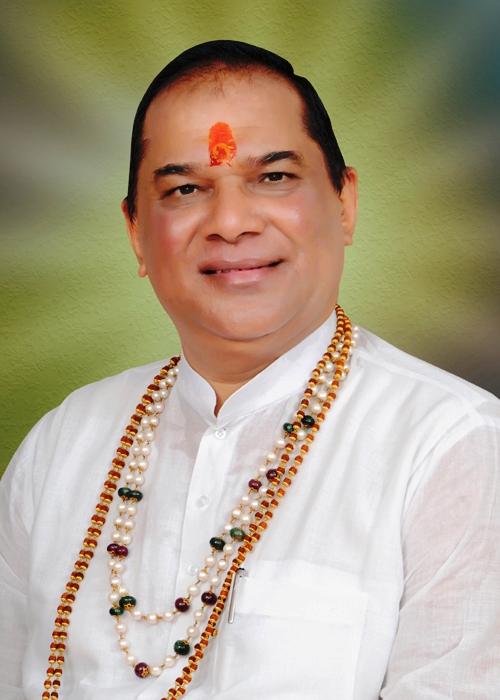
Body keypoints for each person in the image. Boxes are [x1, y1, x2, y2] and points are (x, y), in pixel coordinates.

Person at [1, 40, 499, 700]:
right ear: (136, 232)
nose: (231, 223)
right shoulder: (62, 446)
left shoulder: (453, 448)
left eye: (274, 177)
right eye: (184, 189)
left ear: (345, 203)